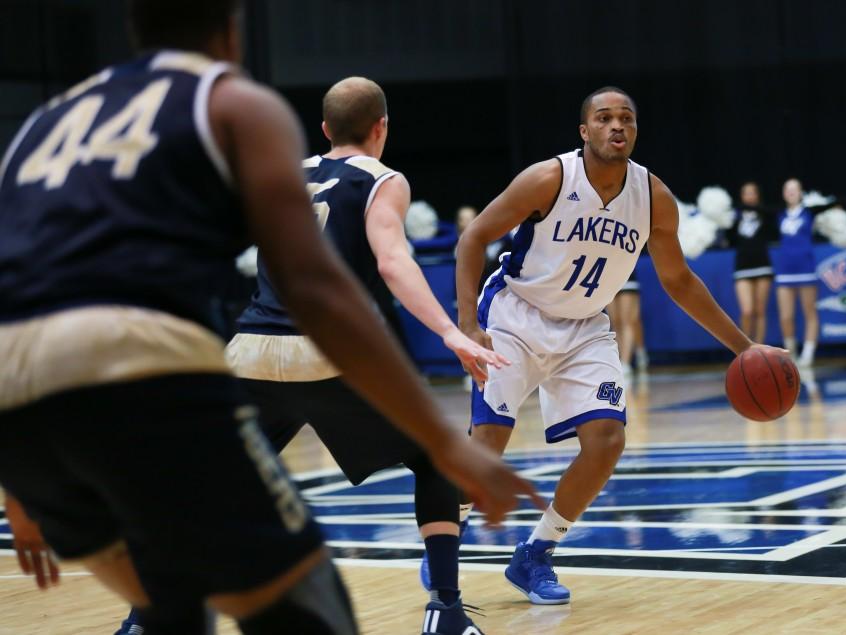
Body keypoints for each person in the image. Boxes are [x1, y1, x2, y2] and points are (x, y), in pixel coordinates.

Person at [0, 2, 536, 633]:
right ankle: (445, 610)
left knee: (172, 582)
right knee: (330, 579)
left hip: (28, 393)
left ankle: (139, 620)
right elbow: (332, 280)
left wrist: (15, 476)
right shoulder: (235, 106)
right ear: (231, 33)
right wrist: (449, 398)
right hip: (158, 359)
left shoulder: (47, 118)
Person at [454, 86, 777, 605]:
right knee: (489, 441)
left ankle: (535, 555)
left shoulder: (653, 196)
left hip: (584, 327)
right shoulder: (549, 178)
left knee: (606, 441)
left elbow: (679, 280)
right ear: (585, 132)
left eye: (625, 118)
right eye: (604, 118)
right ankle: (444, 544)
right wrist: (467, 327)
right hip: (516, 314)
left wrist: (744, 348)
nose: (616, 126)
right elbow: (472, 239)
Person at [223, 76, 516, 635]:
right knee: (439, 459)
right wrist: (452, 332)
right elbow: (392, 261)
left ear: (326, 129)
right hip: (324, 351)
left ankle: (144, 619)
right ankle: (446, 612)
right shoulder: (383, 179)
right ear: (382, 128)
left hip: (250, 348)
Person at [773, 178, 819, 367]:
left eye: (795, 189)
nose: (791, 192)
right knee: (785, 316)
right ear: (784, 194)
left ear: (801, 193)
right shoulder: (779, 215)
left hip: (806, 268)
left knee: (809, 312)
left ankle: (808, 354)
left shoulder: (809, 213)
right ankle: (790, 354)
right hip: (785, 270)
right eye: (788, 189)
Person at [728, 181, 775, 344]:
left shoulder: (764, 214)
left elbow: (773, 229)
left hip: (762, 266)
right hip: (742, 267)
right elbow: (729, 238)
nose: (749, 196)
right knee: (747, 310)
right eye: (745, 193)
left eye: (752, 192)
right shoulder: (735, 216)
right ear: (741, 196)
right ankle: (746, 348)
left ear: (757, 195)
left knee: (760, 310)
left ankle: (760, 348)